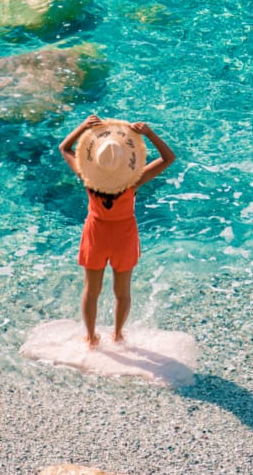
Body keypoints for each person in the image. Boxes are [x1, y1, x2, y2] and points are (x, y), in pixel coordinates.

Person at [59, 114, 176, 347]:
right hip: (124, 235)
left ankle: (91, 337)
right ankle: (118, 334)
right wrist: (149, 133)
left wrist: (83, 127)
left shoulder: (86, 176)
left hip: (95, 234)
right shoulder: (133, 181)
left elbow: (65, 148)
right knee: (122, 292)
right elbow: (168, 158)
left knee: (91, 291)